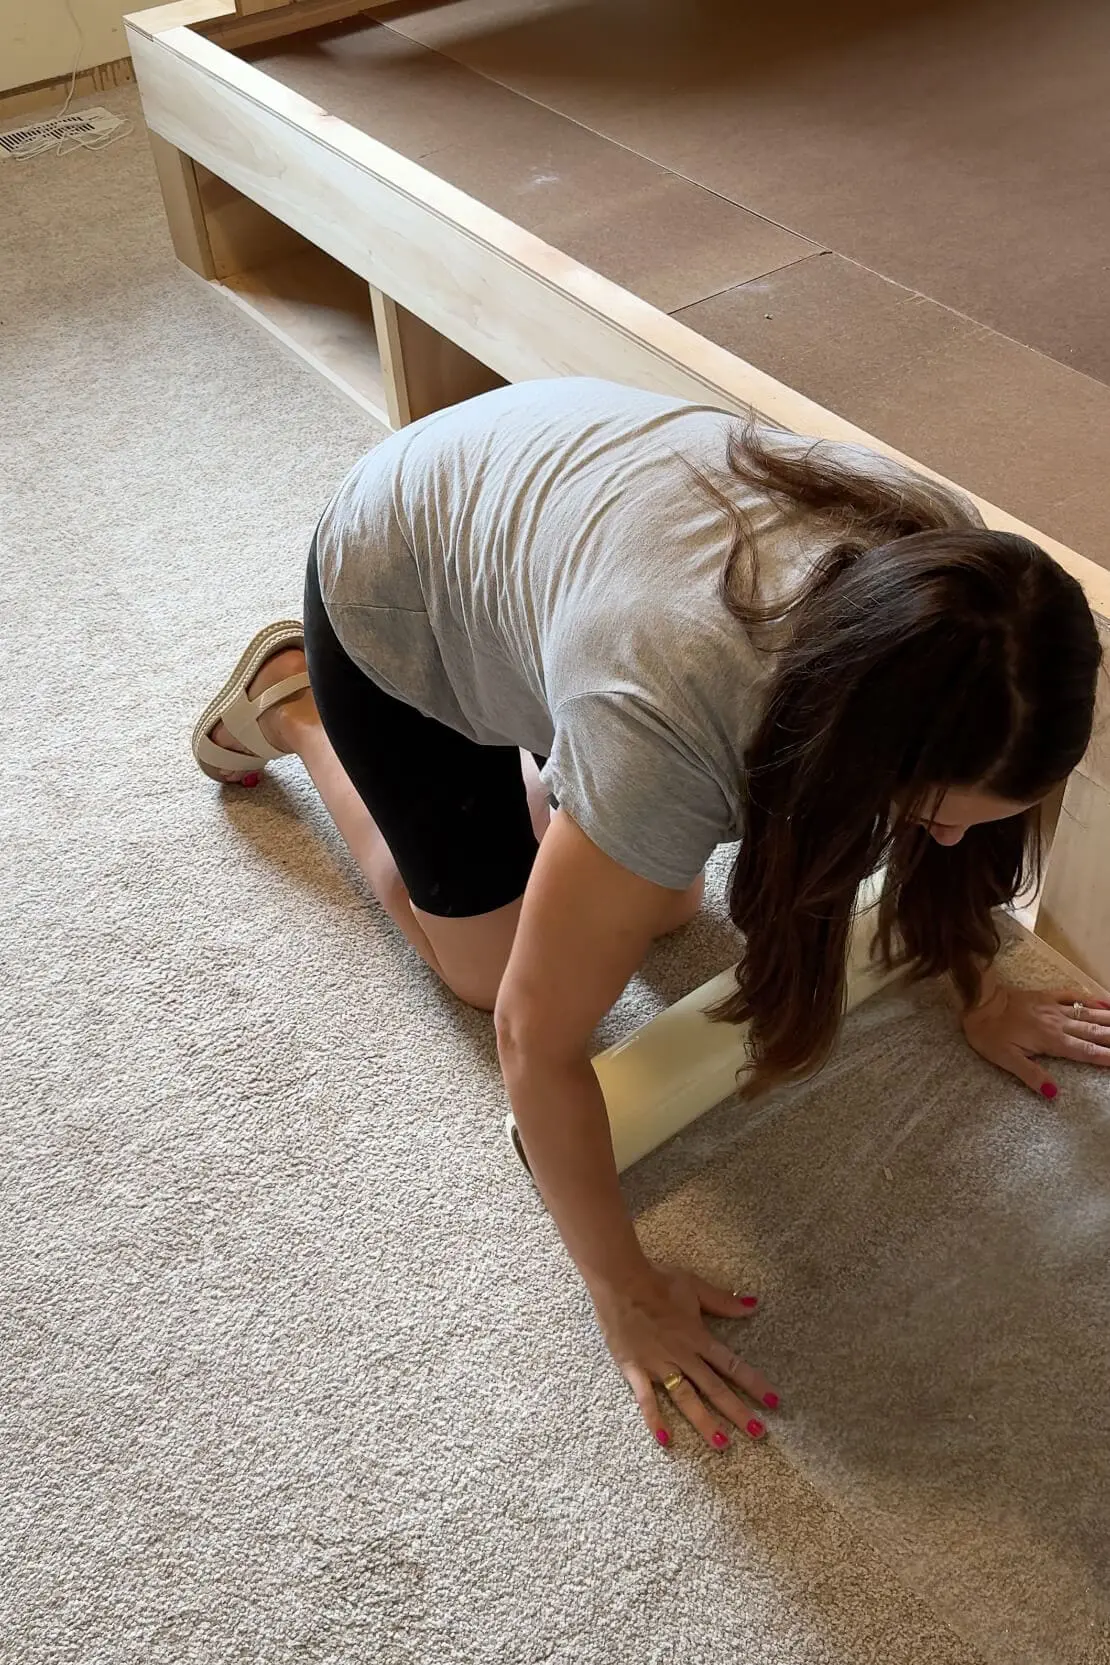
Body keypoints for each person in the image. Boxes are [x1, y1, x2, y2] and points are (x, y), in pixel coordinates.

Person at [193, 377, 1107, 1454]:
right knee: (496, 968)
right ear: (857, 746)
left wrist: (974, 978)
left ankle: (554, 771)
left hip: (569, 550)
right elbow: (532, 1040)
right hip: (398, 582)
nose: (945, 844)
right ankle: (291, 701)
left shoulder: (958, 584)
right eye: (930, 820)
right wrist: (620, 1286)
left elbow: (950, 825)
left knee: (660, 896)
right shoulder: (669, 723)